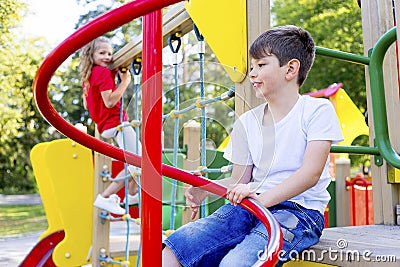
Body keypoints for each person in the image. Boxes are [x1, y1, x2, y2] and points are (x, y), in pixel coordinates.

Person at [162, 25, 343, 266]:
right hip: (250, 206)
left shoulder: (316, 111)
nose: (252, 73)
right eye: (251, 66)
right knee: (176, 248)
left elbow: (310, 174)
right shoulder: (247, 122)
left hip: (299, 212)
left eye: (261, 65)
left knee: (236, 263)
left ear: (290, 68)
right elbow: (240, 181)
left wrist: (260, 199)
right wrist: (206, 187)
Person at [79, 36, 142, 215]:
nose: (107, 57)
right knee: (140, 161)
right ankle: (105, 197)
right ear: (91, 55)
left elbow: (91, 103)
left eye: (109, 53)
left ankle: (132, 194)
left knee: (133, 161)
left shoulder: (90, 76)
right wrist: (124, 83)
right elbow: (108, 101)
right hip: (117, 123)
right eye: (102, 53)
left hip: (106, 126)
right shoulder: (102, 72)